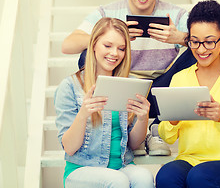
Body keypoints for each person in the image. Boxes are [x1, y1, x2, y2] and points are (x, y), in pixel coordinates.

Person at [61, 0, 196, 156]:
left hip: (160, 88)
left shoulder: (176, 14)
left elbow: (209, 42)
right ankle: (122, 128)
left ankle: (156, 128)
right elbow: (67, 45)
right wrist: (115, 35)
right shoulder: (108, 13)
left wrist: (180, 38)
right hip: (121, 88)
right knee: (88, 52)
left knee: (196, 51)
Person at [156, 0, 220, 188]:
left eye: (209, 42)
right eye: (194, 42)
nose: (201, 50)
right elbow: (167, 137)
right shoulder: (180, 79)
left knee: (200, 177)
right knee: (166, 175)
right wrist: (172, 121)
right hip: (191, 160)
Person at [54, 17, 154, 188]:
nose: (114, 53)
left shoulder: (129, 83)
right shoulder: (70, 86)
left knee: (144, 177)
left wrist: (143, 118)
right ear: (93, 45)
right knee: (117, 181)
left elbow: (133, 144)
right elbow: (69, 148)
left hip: (121, 166)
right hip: (82, 169)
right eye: (107, 46)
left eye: (121, 48)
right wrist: (83, 114)